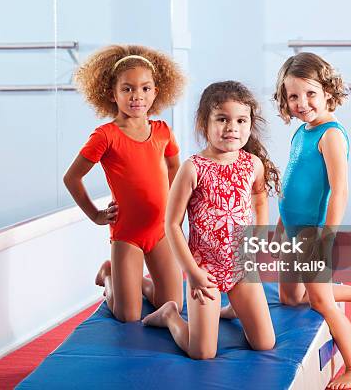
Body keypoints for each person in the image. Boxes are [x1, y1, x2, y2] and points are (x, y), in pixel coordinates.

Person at [274, 52, 351, 389]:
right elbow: (293, 184)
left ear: (327, 91)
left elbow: (339, 190)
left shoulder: (331, 135)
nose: (301, 102)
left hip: (313, 234)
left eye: (310, 93)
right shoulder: (302, 132)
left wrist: (327, 235)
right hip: (294, 231)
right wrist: (280, 226)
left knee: (321, 301)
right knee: (290, 298)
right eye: (293, 96)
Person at [142, 81, 280, 359]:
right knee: (202, 352)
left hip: (241, 266)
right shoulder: (193, 168)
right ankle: (170, 316)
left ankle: (231, 307)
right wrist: (192, 272)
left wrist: (257, 238)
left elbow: (260, 199)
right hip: (205, 270)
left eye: (241, 120)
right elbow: (171, 224)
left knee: (264, 344)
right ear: (204, 123)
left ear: (250, 124)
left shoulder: (252, 164)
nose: (232, 128)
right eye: (222, 119)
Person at [64, 45, 185, 322]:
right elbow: (72, 177)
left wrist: (173, 207)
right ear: (112, 94)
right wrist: (95, 214)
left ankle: (135, 283)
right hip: (127, 234)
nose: (137, 96)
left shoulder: (163, 131)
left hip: (161, 230)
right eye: (128, 89)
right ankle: (109, 276)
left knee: (172, 305)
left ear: (156, 92)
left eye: (145, 88)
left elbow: (174, 166)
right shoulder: (106, 136)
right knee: (127, 315)